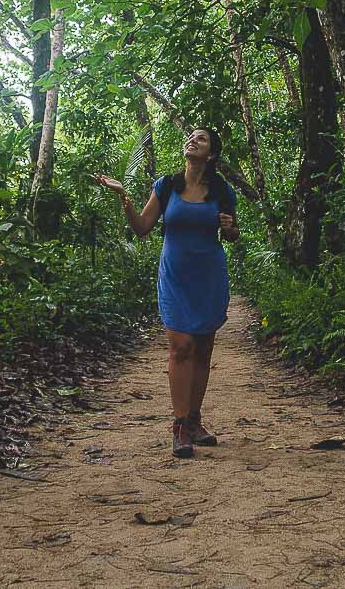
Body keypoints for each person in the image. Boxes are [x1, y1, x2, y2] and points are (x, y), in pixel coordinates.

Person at [95, 127, 240, 458]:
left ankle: (194, 420)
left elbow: (232, 234)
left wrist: (230, 229)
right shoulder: (166, 185)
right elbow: (142, 228)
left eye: (201, 139)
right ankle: (178, 426)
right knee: (182, 346)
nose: (192, 140)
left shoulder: (221, 190)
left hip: (208, 276)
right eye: (190, 136)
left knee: (202, 350)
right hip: (175, 277)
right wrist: (123, 196)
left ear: (212, 154)